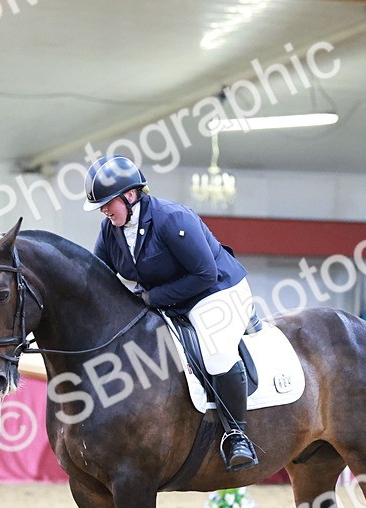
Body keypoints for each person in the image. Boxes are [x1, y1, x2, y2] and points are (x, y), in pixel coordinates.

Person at [84, 154, 258, 472]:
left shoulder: (172, 219)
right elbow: (97, 278)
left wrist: (150, 297)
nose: (105, 210)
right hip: (168, 299)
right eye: (102, 206)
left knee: (216, 352)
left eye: (109, 203)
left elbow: (203, 274)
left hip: (216, 292)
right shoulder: (110, 231)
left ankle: (237, 434)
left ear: (131, 195)